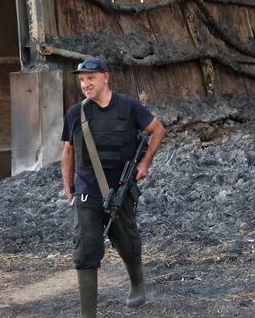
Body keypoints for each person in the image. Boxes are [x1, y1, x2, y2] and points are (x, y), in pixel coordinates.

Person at [60, 56, 166, 317]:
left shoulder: (129, 107)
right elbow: (68, 152)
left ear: (105, 77)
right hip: (87, 190)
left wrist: (143, 164)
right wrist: (68, 186)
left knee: (127, 242)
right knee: (86, 248)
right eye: (82, 80)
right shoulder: (76, 113)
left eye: (91, 78)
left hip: (120, 188)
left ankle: (137, 284)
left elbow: (158, 129)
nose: (85, 84)